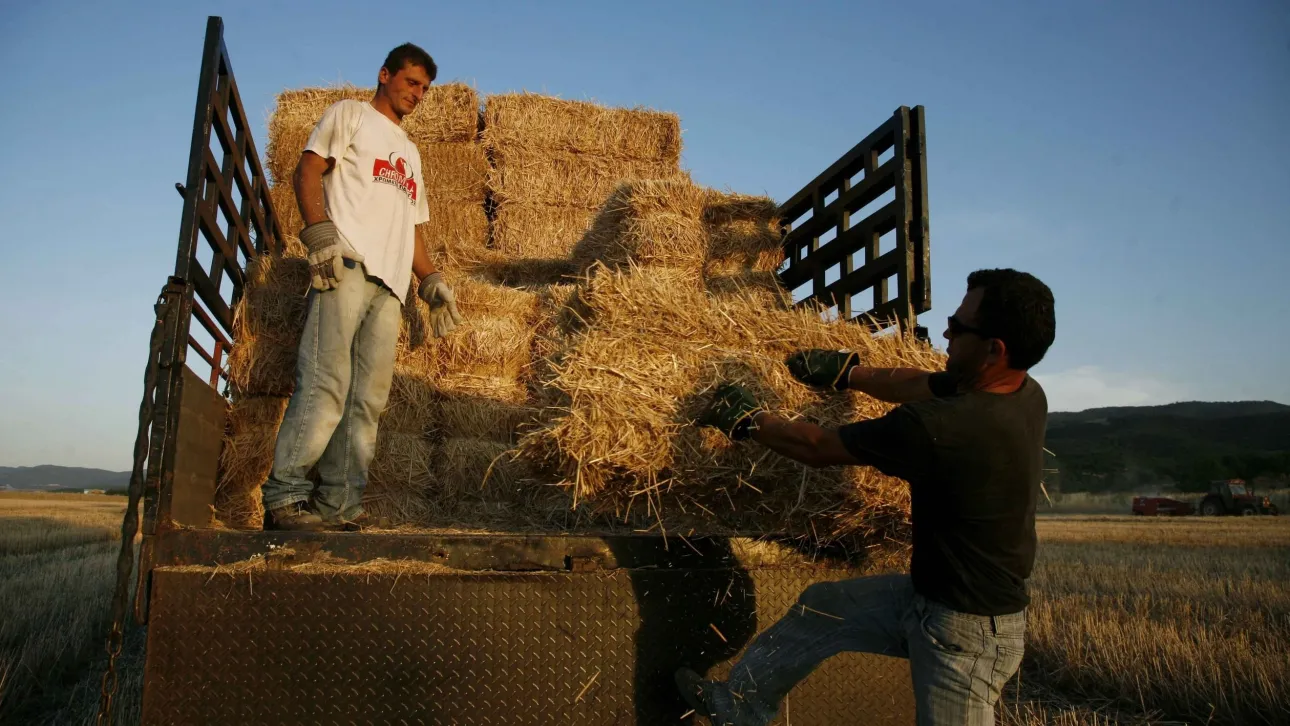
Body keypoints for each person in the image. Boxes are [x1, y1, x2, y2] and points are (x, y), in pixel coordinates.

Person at [679, 268, 1056, 726]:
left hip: (966, 634)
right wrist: (848, 372)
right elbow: (916, 382)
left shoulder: (946, 428)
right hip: (930, 598)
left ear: (994, 348)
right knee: (821, 607)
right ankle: (739, 707)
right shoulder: (1022, 390)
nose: (945, 332)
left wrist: (752, 420)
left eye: (958, 327)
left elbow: (817, 448)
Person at [260, 43, 463, 532]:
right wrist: (319, 232)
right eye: (411, 82)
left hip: (391, 287)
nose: (418, 94)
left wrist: (429, 277)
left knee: (366, 401)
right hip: (347, 265)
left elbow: (413, 226)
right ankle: (285, 497)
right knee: (327, 381)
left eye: (425, 89)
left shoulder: (411, 154)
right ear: (385, 74)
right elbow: (308, 169)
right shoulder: (349, 115)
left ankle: (338, 507)